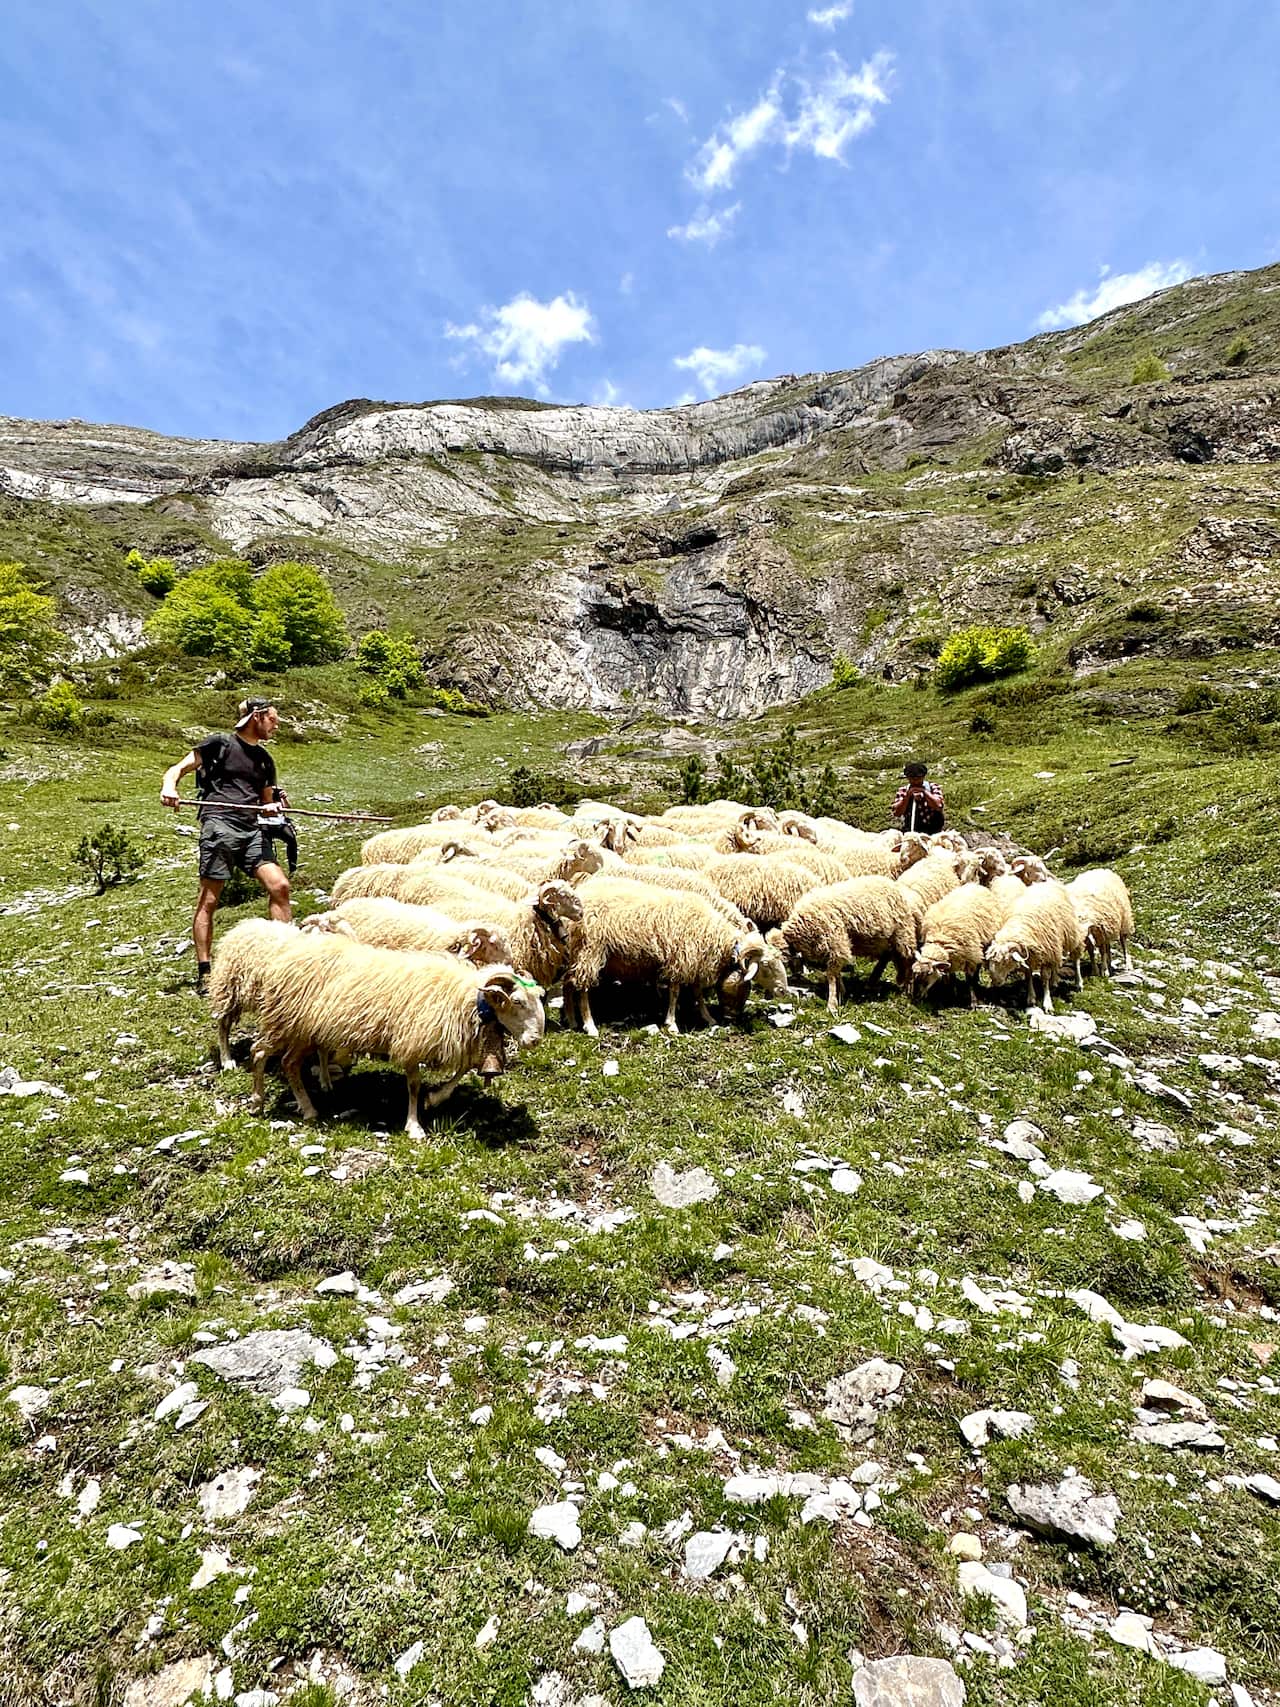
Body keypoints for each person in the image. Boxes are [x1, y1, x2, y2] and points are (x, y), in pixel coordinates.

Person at [160, 697, 292, 990]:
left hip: (252, 828)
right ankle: (205, 971)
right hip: (219, 824)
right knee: (209, 900)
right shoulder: (219, 744)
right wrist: (169, 787)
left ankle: (283, 959)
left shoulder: (265, 760)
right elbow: (177, 769)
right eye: (273, 718)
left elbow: (265, 803)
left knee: (279, 886)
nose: (277, 724)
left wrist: (273, 807)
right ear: (257, 717)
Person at [893, 761, 945, 834]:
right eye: (912, 778)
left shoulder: (933, 787)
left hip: (934, 831)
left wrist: (924, 792)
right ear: (908, 778)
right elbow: (897, 813)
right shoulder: (903, 791)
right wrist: (908, 795)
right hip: (913, 830)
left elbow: (938, 806)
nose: (915, 781)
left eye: (918, 778)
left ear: (923, 777)